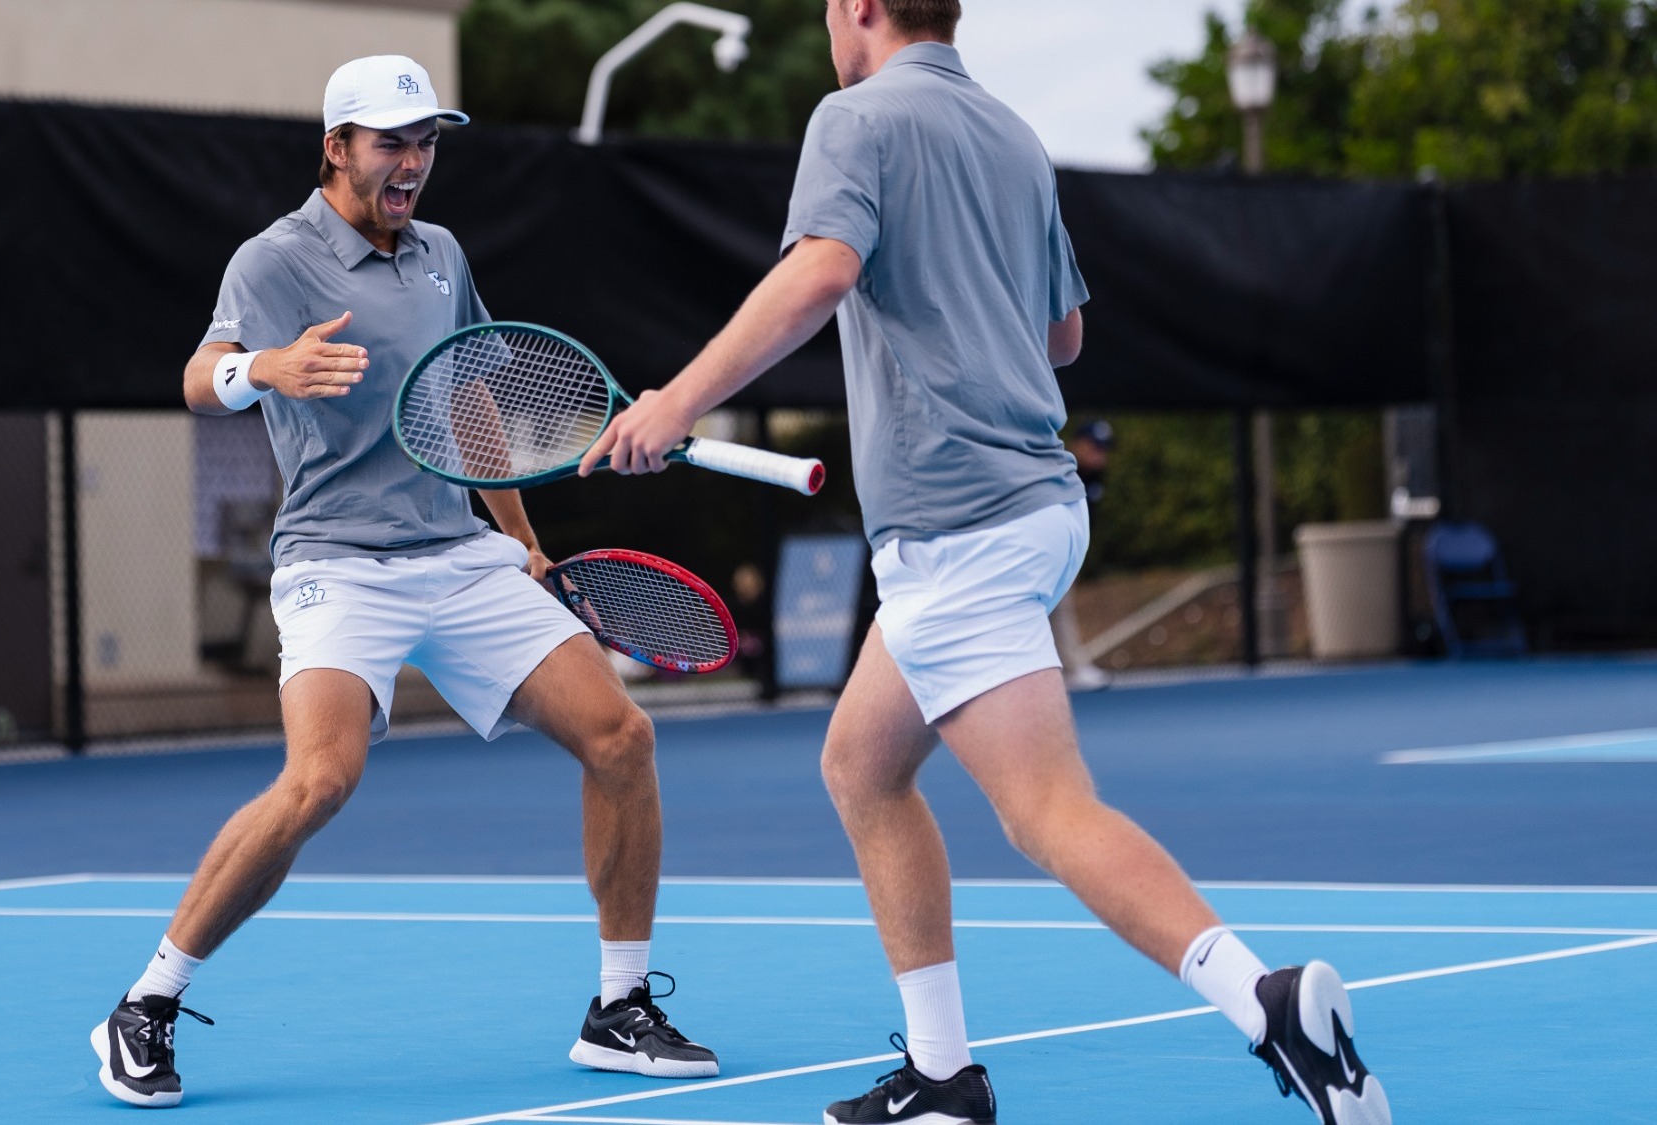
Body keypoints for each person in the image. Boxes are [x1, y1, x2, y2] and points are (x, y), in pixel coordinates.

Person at [578, 3, 1388, 1123]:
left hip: (959, 521)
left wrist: (673, 401)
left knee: (1047, 813)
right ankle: (942, 1074)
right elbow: (1064, 336)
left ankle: (1264, 1001)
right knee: (863, 767)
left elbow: (819, 272)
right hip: (1031, 508)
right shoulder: (1010, 134)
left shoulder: (851, 118)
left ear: (860, 6)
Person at [89, 54, 717, 1109]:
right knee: (319, 781)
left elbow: (465, 394)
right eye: (391, 141)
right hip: (337, 561)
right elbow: (202, 379)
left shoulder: (440, 255)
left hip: (459, 554)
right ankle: (144, 1005)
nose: (413, 161)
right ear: (336, 148)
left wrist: (516, 534)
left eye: (425, 141)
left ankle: (616, 1009)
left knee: (621, 738)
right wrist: (265, 371)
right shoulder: (273, 259)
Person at [1050, 420, 1113, 690]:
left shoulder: (1097, 477)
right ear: (1078, 444)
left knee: (1056, 609)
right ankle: (1072, 667)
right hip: (1049, 549)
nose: (1100, 455)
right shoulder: (1062, 470)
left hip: (1068, 552)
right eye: (1095, 447)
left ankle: (1067, 668)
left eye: (1104, 449)